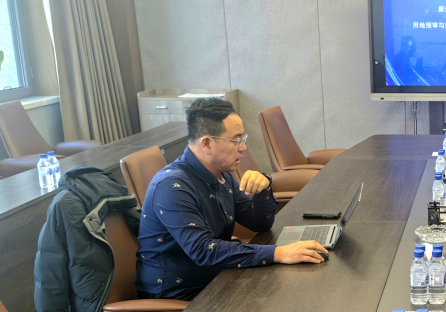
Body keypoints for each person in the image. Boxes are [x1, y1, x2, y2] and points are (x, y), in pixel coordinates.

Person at [135, 99, 327, 300]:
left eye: (243, 138)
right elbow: (203, 250)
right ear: (207, 144)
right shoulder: (171, 186)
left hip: (216, 277)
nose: (243, 147)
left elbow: (258, 223)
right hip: (181, 294)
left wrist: (263, 189)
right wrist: (278, 253)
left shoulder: (221, 174)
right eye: (236, 140)